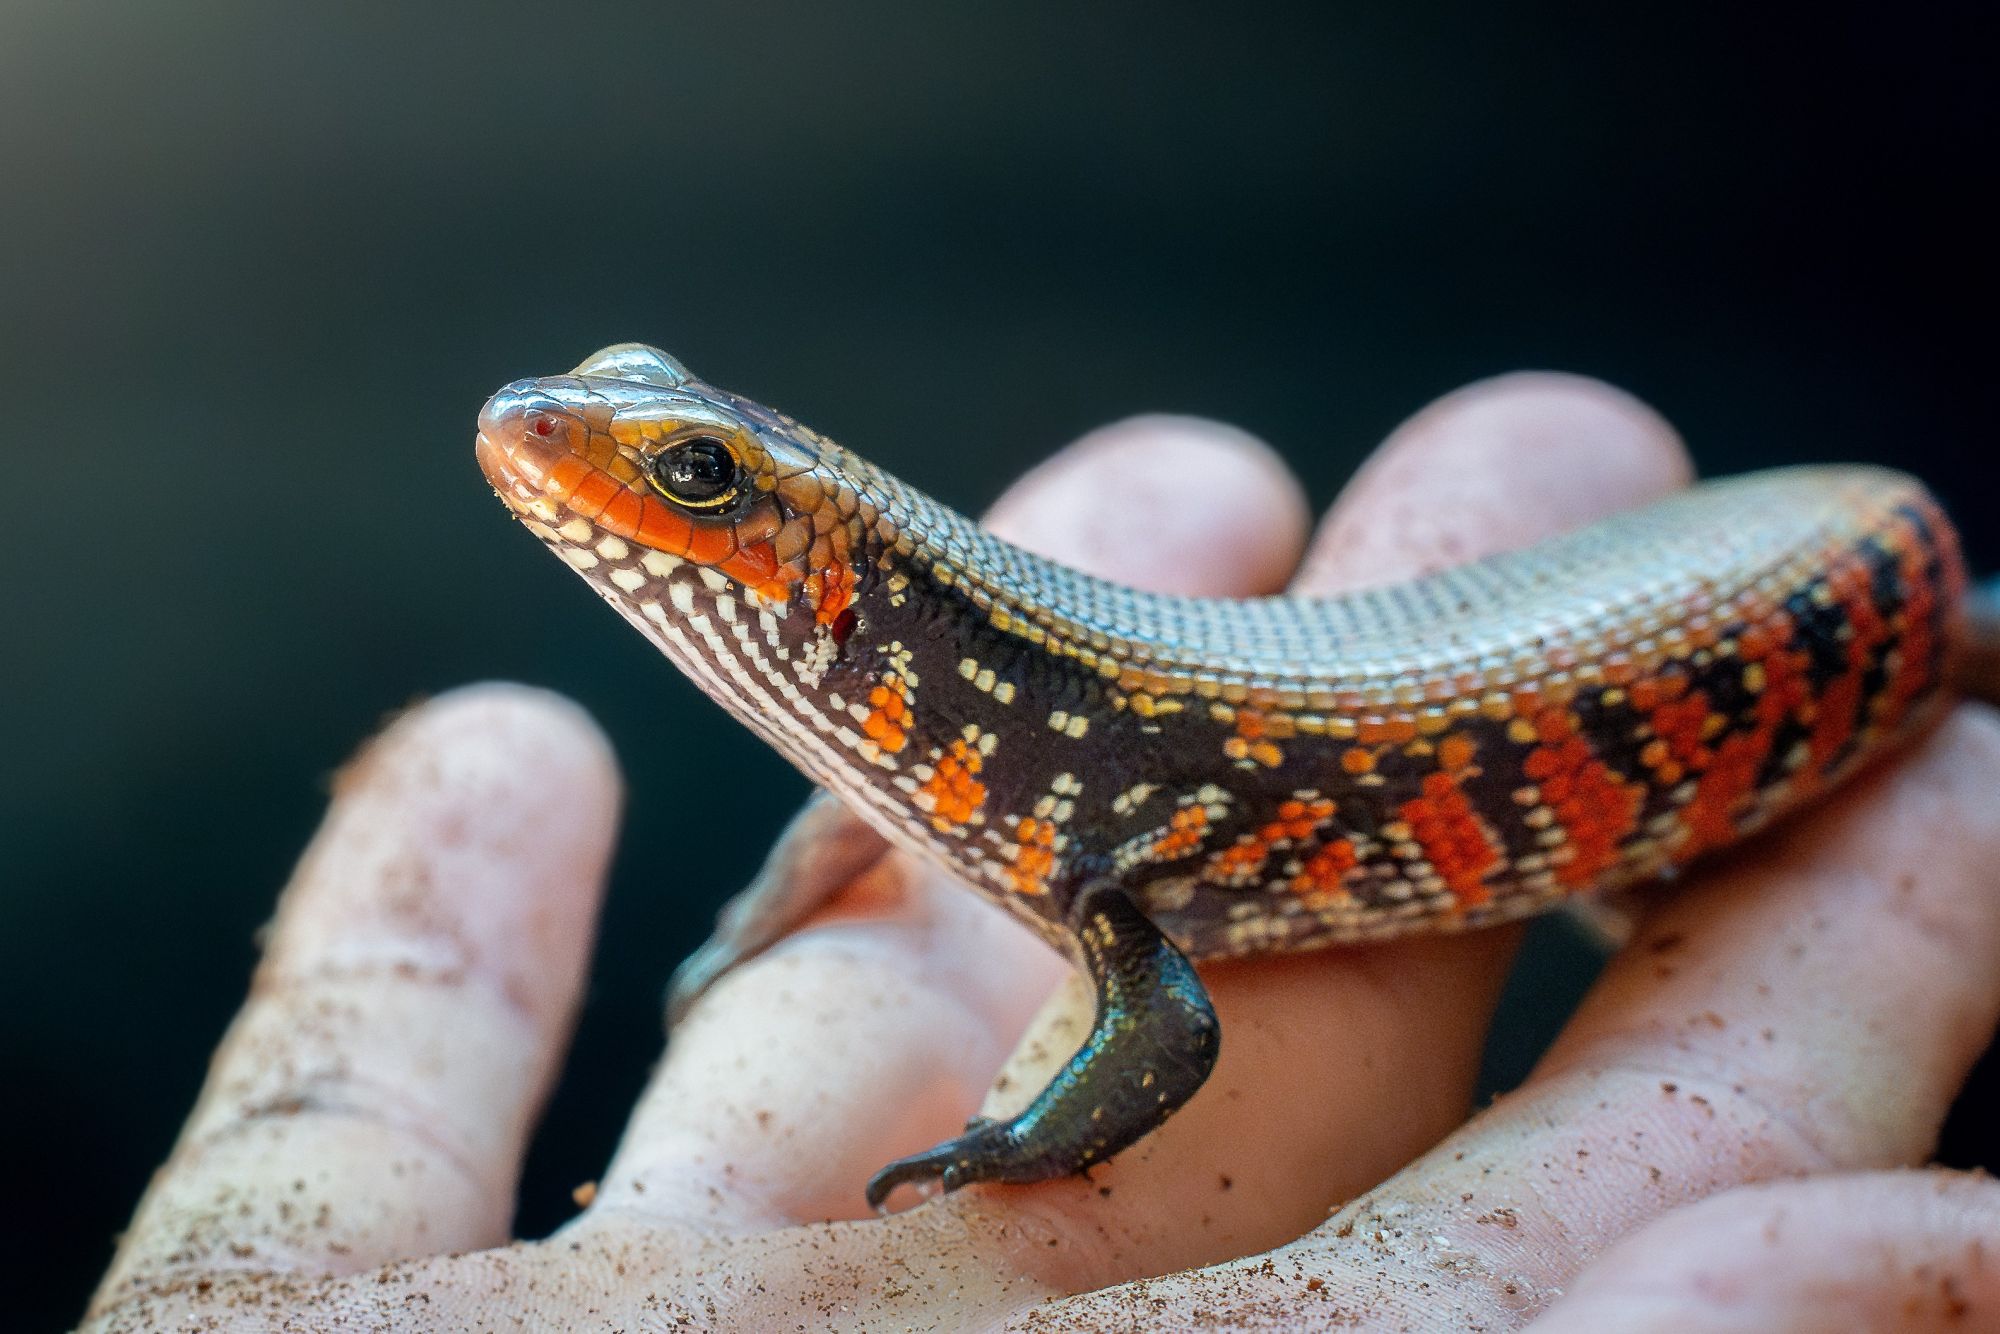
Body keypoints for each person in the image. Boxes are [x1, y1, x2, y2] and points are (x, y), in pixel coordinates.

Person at [84, 374, 2000, 1330]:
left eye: (689, 476)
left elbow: (1164, 1026)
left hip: (1846, 611)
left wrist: (1020, 1155)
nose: (549, 431)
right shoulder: (961, 753)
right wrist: (803, 873)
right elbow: (892, 791)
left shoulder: (1081, 813)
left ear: (828, 573)